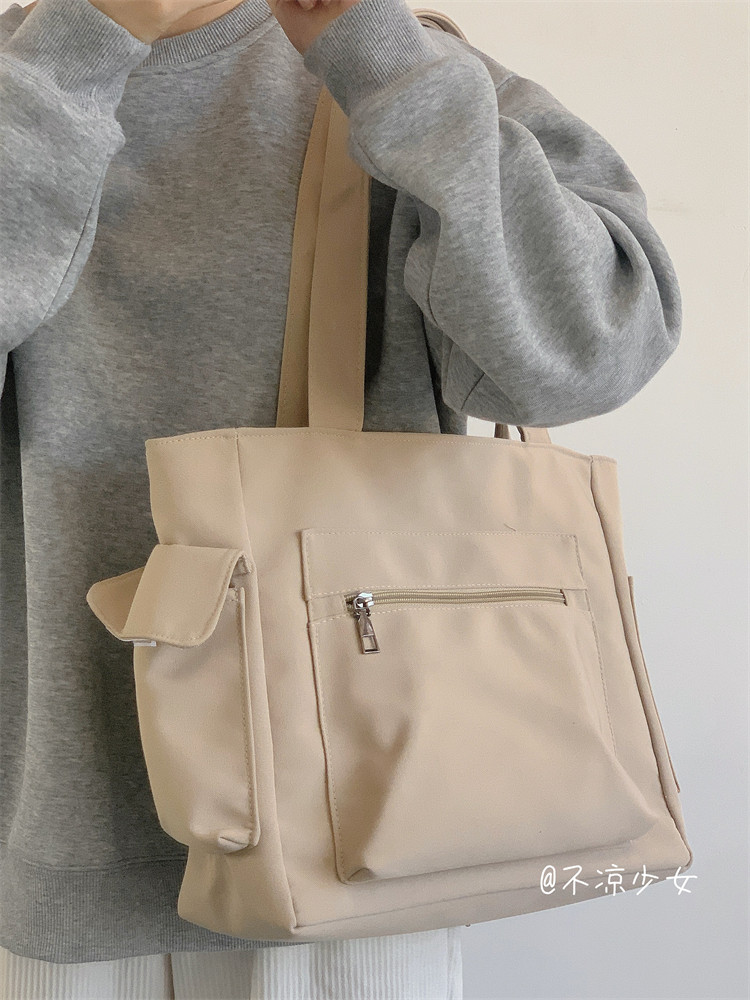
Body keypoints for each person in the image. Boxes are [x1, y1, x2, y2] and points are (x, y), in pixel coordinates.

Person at [0, 0, 682, 995]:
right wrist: (74, 53)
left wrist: (390, 70)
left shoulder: (396, 62)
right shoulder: (24, 76)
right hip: (55, 859)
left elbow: (595, 348)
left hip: (368, 839)